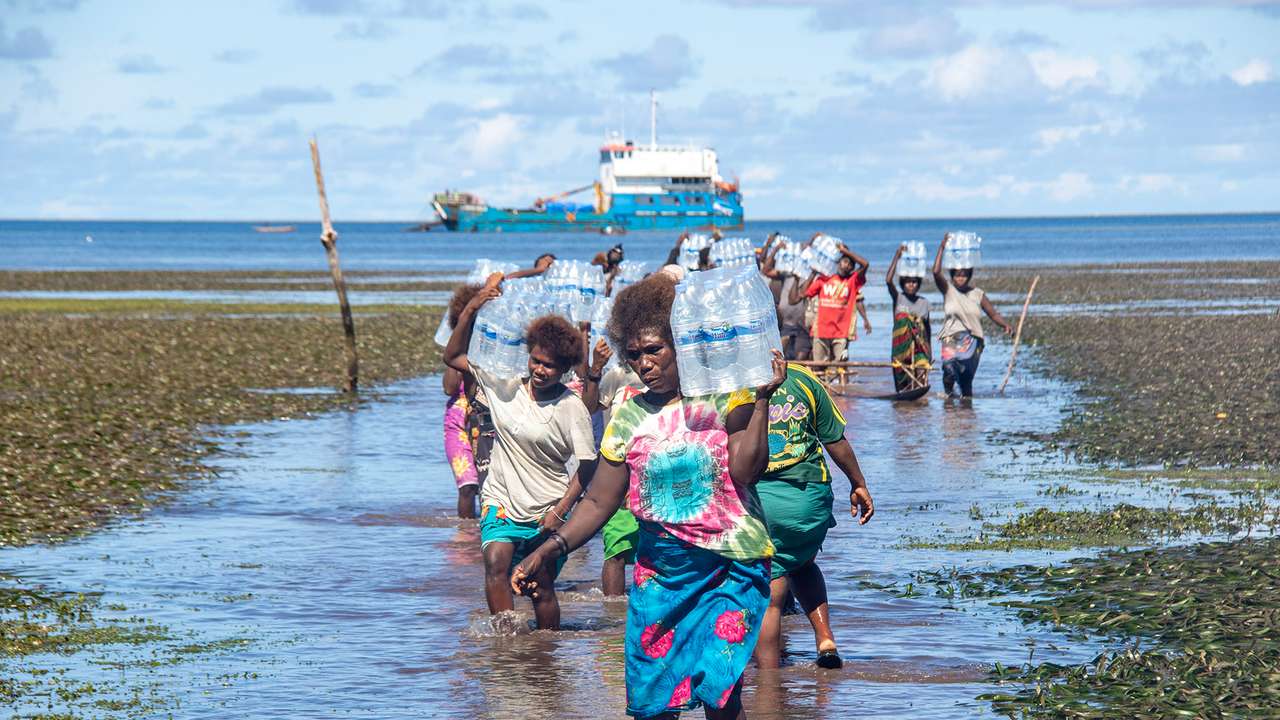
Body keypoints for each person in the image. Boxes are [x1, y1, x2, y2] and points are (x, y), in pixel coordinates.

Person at [511, 274, 786, 719]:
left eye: (654, 350)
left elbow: (746, 470)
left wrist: (761, 403)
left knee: (719, 688)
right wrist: (547, 550)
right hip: (660, 577)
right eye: (634, 355)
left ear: (680, 344)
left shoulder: (726, 398)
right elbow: (599, 501)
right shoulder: (628, 417)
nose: (644, 364)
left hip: (728, 569)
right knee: (652, 702)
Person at [443, 280, 598, 630]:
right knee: (496, 564)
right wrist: (472, 308)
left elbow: (588, 466)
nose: (540, 370)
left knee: (538, 586)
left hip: (546, 509)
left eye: (550, 366)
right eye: (536, 361)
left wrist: (561, 512)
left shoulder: (571, 407)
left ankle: (545, 654)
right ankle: (507, 647)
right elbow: (452, 357)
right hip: (501, 501)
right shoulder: (505, 388)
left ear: (565, 369)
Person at [753, 363, 874, 670]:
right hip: (809, 500)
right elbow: (835, 440)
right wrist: (858, 484)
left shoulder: (733, 380)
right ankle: (825, 640)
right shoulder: (804, 378)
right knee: (804, 564)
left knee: (771, 580)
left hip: (761, 499)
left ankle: (769, 680)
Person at [580, 338, 646, 596]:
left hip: (658, 475)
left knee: (657, 556)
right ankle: (613, 619)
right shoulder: (618, 376)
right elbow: (587, 408)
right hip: (619, 475)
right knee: (616, 549)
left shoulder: (675, 373)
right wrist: (595, 369)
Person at [932, 233, 1013, 397]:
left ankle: (967, 415)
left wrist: (1005, 325)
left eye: (963, 275)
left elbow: (992, 313)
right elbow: (935, 272)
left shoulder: (978, 294)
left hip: (971, 341)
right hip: (951, 337)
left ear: (969, 275)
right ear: (952, 275)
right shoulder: (948, 290)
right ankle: (948, 399)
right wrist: (941, 248)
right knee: (948, 368)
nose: (960, 278)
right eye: (957, 275)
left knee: (966, 382)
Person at [442, 283, 485, 518]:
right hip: (457, 426)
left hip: (486, 422)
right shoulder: (456, 349)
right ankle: (465, 536)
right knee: (468, 487)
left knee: (489, 487)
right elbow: (449, 388)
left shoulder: (492, 348)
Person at [803, 241, 871, 367]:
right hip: (821, 330)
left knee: (840, 366)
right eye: (844, 261)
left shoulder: (852, 281)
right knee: (818, 366)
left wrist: (845, 251)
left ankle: (841, 387)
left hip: (841, 332)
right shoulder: (824, 279)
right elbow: (805, 293)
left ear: (852, 268)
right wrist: (813, 271)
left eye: (850, 264)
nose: (846, 266)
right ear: (838, 263)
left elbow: (865, 264)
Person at [886, 244, 933, 393]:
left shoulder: (924, 303)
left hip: (920, 349)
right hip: (900, 349)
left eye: (914, 282)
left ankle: (920, 409)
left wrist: (930, 351)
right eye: (907, 281)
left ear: (918, 283)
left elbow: (927, 329)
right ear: (903, 283)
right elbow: (888, 280)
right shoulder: (898, 298)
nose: (911, 285)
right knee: (902, 387)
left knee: (920, 376)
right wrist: (897, 256)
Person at [761, 242, 813, 361]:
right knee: (781, 356)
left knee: (801, 358)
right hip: (786, 323)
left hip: (803, 324)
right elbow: (766, 270)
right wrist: (776, 249)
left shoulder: (811, 274)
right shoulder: (787, 272)